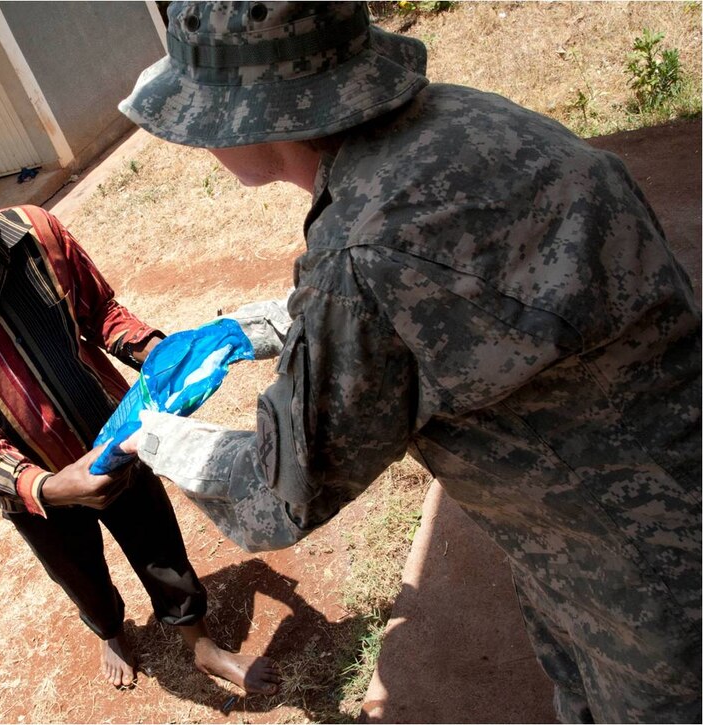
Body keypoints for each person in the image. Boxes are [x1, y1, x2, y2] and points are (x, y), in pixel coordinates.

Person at [116, 2, 701, 722]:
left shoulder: (360, 260)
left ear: (254, 115)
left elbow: (288, 485)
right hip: (633, 491)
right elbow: (446, 287)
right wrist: (254, 326)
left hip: (646, 573)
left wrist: (159, 440)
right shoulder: (468, 120)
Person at [0, 107, 280, 693]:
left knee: (160, 548)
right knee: (81, 576)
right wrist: (49, 488)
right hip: (38, 495)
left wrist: (151, 350)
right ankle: (110, 631)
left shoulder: (37, 231)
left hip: (119, 440)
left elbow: (100, 312)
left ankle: (198, 642)